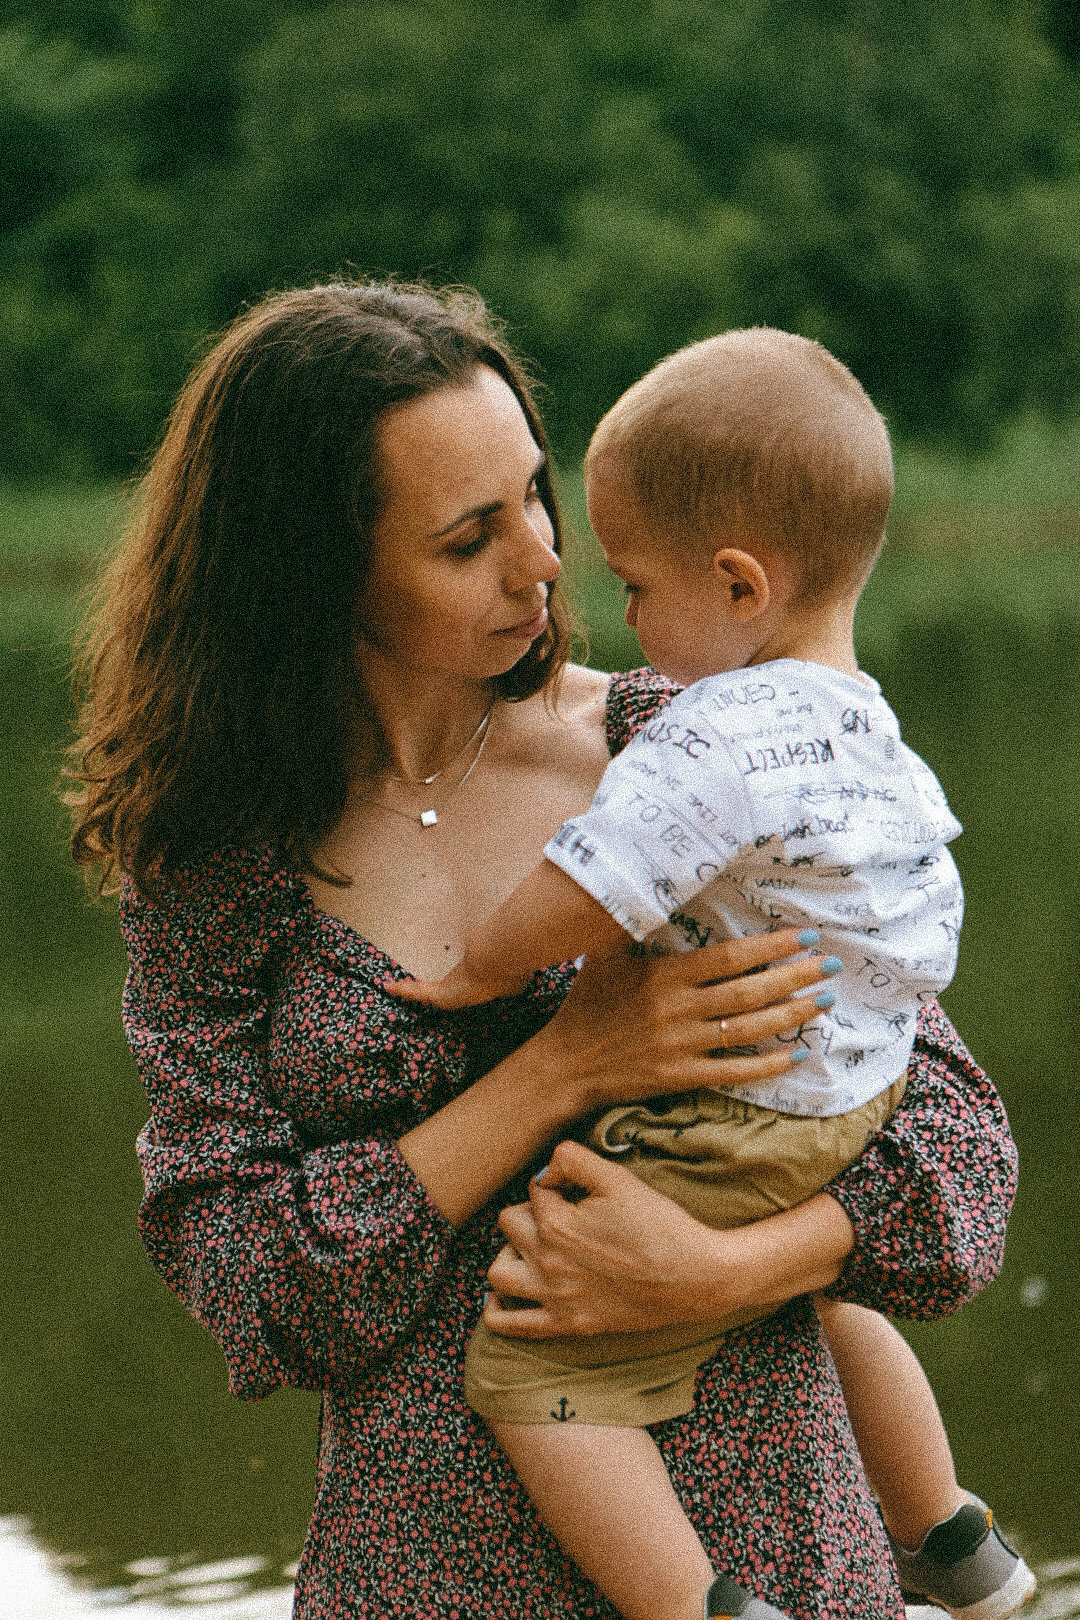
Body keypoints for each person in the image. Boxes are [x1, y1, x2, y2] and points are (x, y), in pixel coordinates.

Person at [66, 281, 1020, 1620]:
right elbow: (253, 1287)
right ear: (311, 574)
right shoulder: (217, 858)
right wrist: (560, 1069)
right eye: (469, 540)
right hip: (421, 1581)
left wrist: (729, 1269)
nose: (544, 562)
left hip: (782, 1560)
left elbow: (957, 1163)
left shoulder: (688, 751)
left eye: (535, 494)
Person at [394, 328, 1035, 1620]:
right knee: (835, 1299)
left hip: (750, 1106)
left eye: (635, 582)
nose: (609, 606)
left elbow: (593, 883)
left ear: (740, 586)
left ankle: (702, 1607)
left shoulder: (714, 735)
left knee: (527, 1372)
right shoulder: (866, 728)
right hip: (849, 1096)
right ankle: (957, 1540)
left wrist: (477, 971)